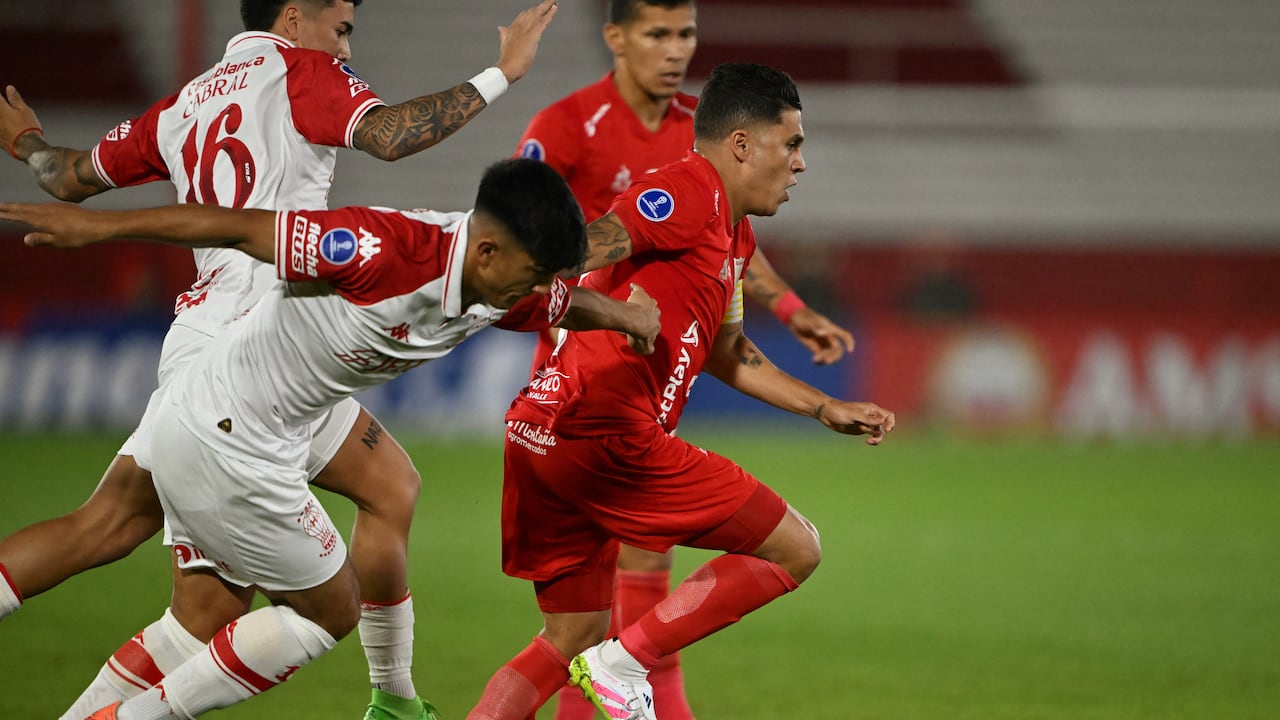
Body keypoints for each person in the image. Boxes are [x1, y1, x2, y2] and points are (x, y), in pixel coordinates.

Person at [0, 1, 558, 718]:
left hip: (209, 334)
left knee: (386, 484)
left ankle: (394, 699)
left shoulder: (179, 108)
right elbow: (391, 136)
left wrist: (28, 144)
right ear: (293, 18)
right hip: (261, 344)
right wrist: (501, 73)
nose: (345, 50)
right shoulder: (304, 72)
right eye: (341, 28)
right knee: (179, 587)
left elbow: (68, 175)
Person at [0, 157, 661, 720]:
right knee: (329, 610)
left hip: (274, 410)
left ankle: (393, 699)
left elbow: (556, 303)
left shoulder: (501, 280)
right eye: (537, 273)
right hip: (230, 435)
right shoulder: (382, 248)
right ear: (488, 252)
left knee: (383, 489)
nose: (543, 290)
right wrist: (97, 227)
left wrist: (624, 315)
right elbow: (239, 227)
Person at [466, 64, 895, 720]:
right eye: (792, 143)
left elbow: (729, 352)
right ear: (742, 145)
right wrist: (494, 277)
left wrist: (821, 406)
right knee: (795, 547)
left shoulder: (734, 232)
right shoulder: (683, 191)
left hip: (541, 433)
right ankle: (623, 664)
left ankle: (607, 661)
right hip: (604, 433)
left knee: (568, 637)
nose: (800, 163)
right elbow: (583, 249)